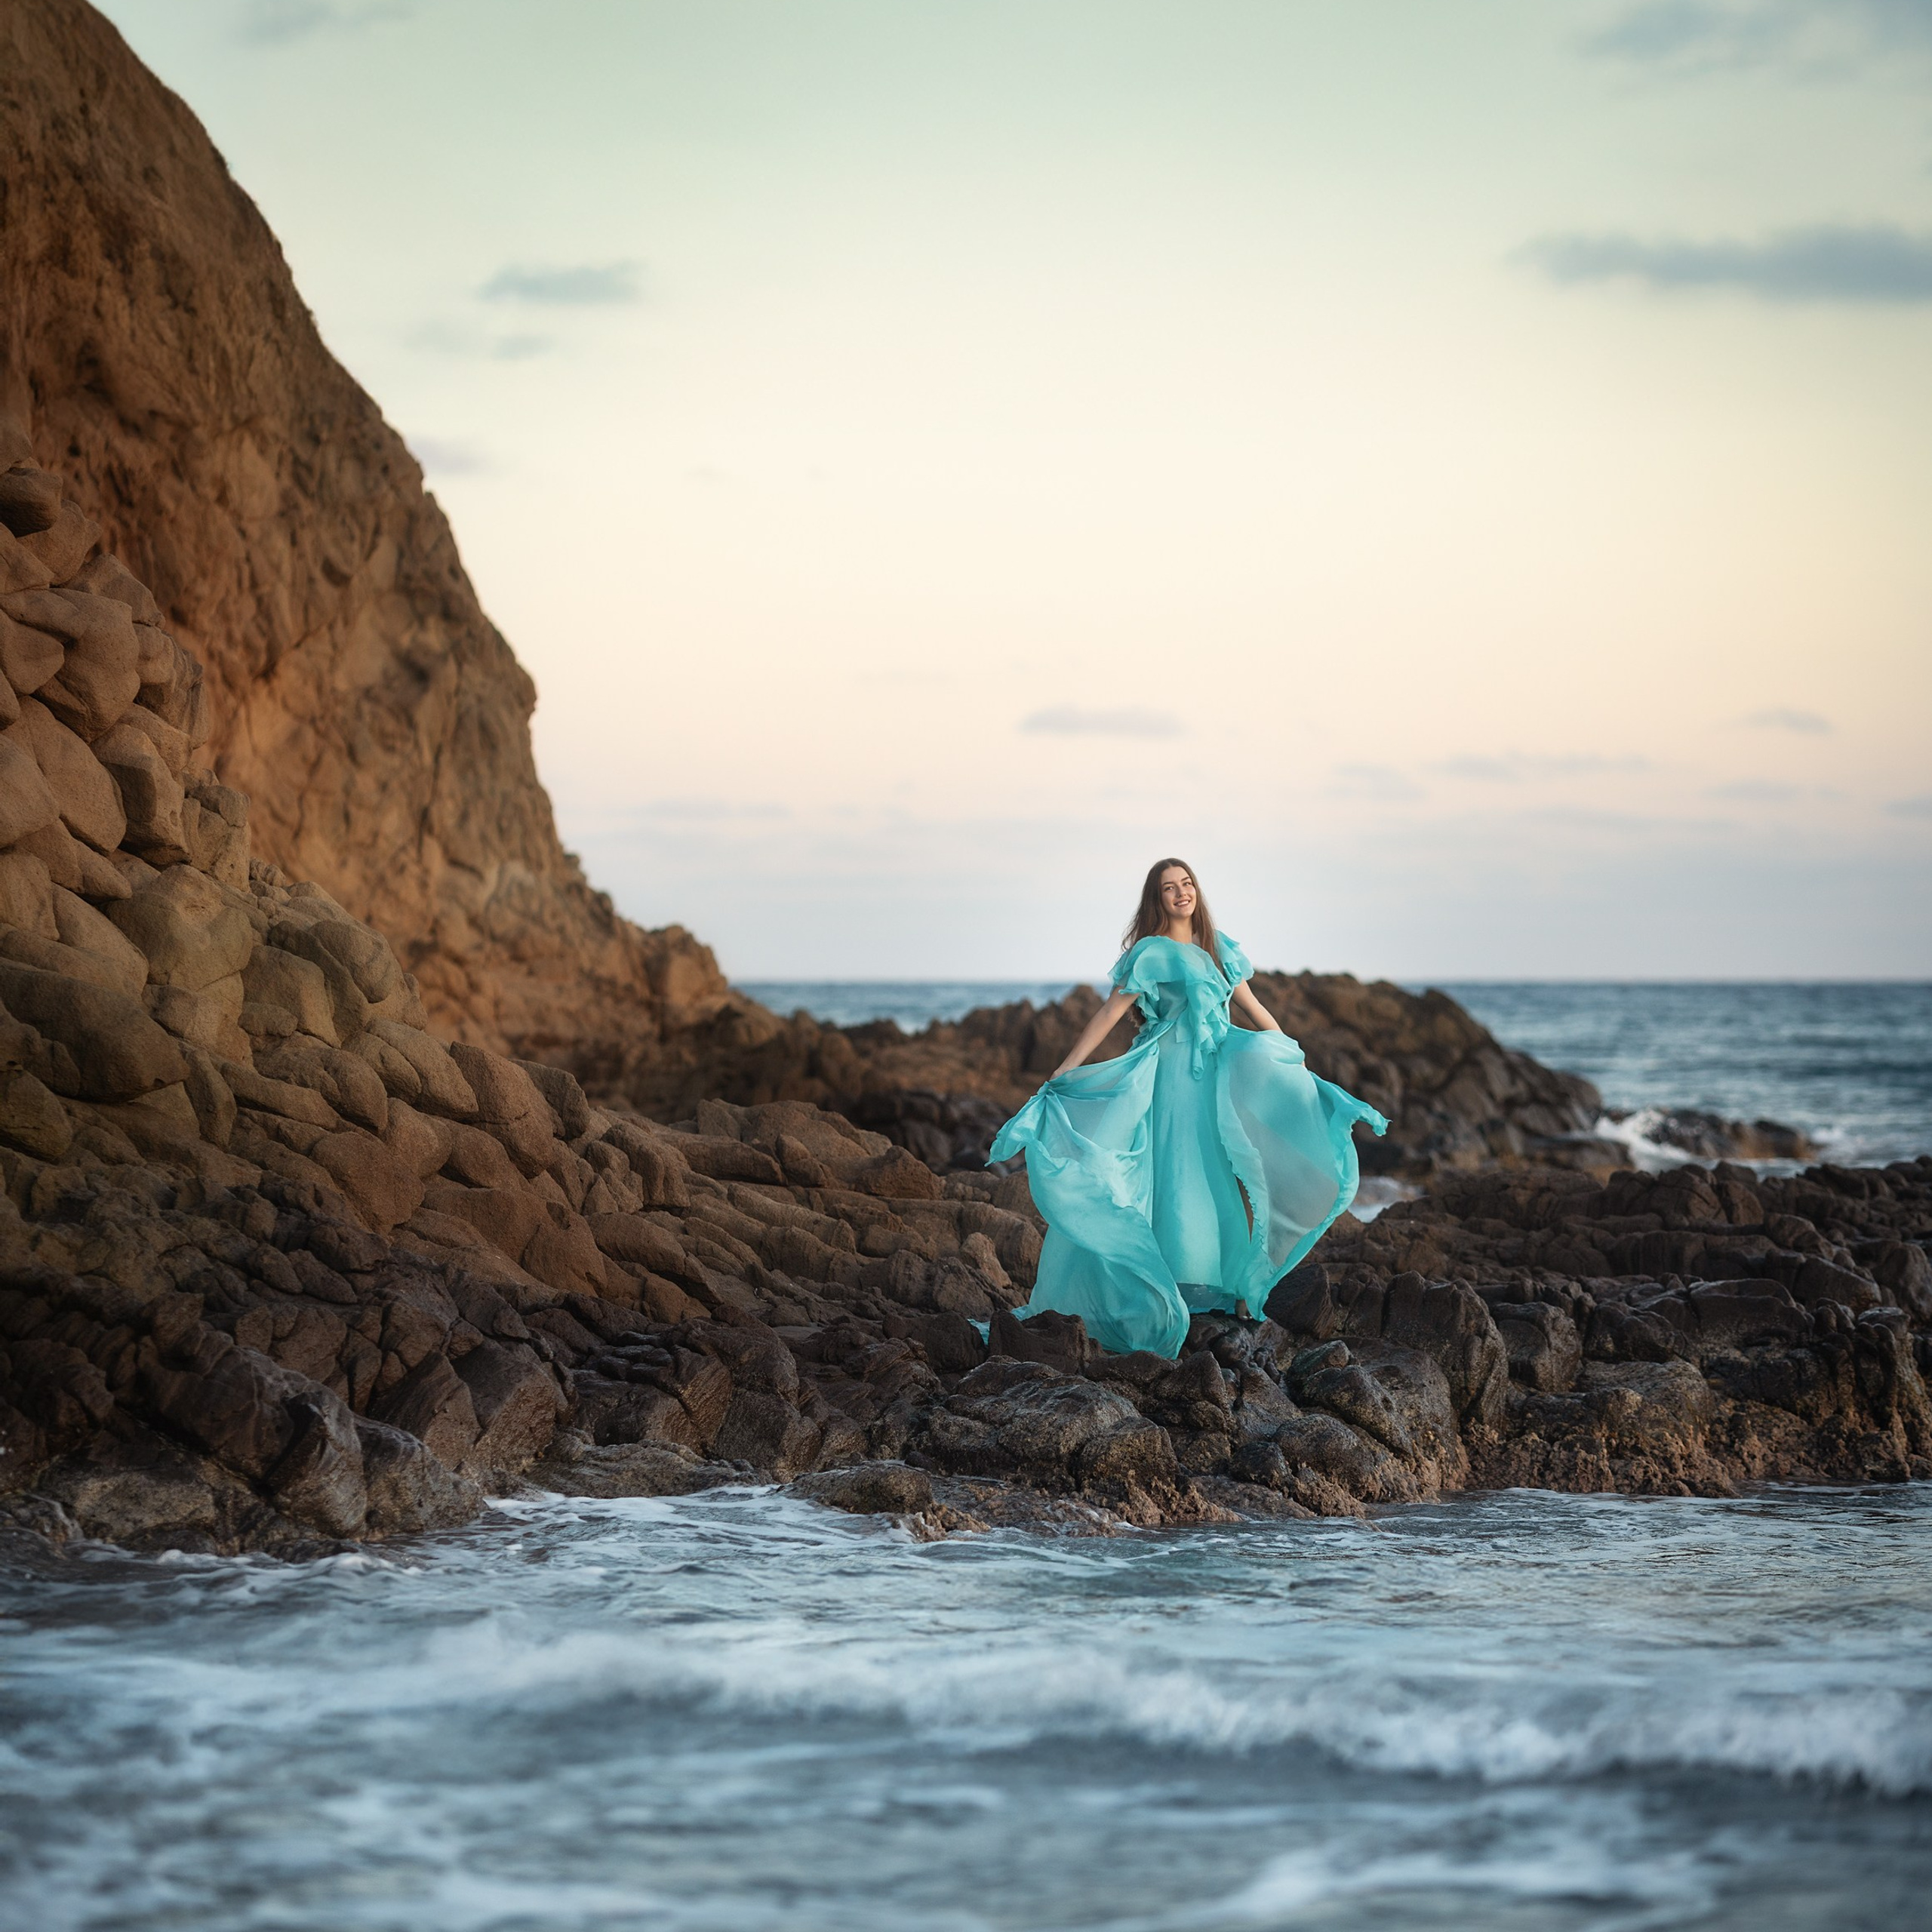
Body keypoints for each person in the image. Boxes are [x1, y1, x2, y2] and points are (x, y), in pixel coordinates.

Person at [989, 859, 1388, 1358]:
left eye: (1187, 883)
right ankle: (1161, 1289)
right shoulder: (1151, 952)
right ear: (1157, 900)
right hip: (1170, 1077)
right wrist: (1065, 1070)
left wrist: (1290, 1057)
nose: (1181, 893)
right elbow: (1111, 1012)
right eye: (1169, 887)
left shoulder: (1220, 949)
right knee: (1173, 1175)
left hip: (1217, 1077)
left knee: (1225, 1174)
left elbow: (1250, 1006)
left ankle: (1228, 1286)